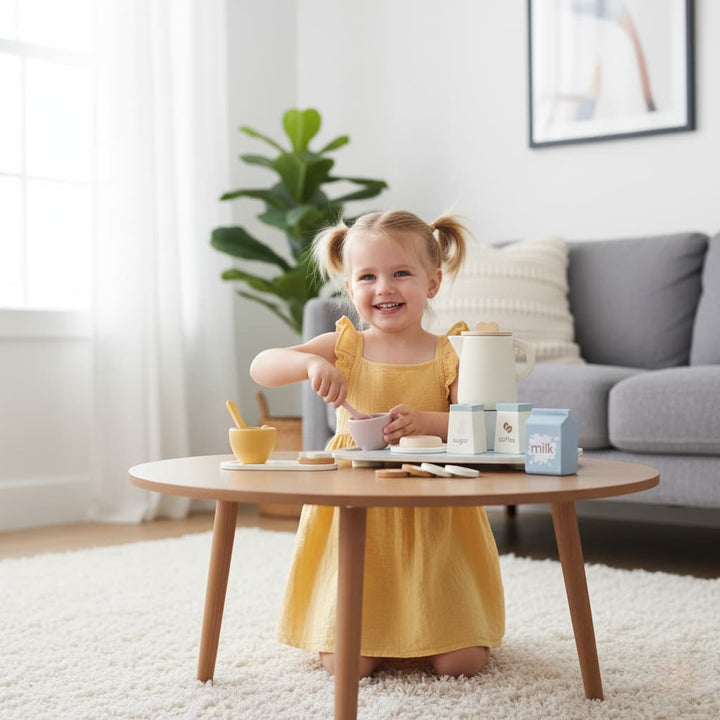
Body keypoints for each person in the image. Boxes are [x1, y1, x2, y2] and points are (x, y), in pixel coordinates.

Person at [250, 210, 505, 678]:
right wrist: (307, 365)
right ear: (350, 289)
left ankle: (441, 624)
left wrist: (427, 421)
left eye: (400, 273)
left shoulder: (450, 351)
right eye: (367, 277)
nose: (383, 288)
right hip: (358, 506)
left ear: (432, 282)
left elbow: (476, 426)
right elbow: (262, 366)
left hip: (433, 506)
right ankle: (364, 624)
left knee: (461, 664)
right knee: (350, 665)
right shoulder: (345, 346)